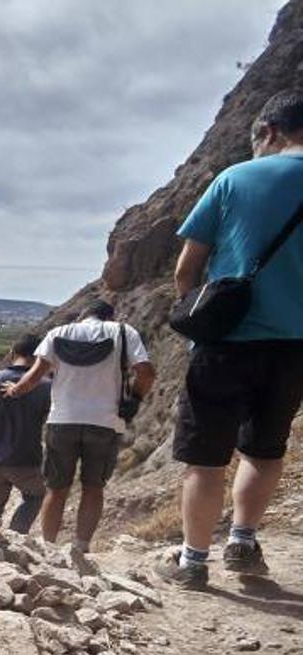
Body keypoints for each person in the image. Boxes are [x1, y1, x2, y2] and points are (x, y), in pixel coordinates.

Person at [155, 90, 303, 589]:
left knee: (205, 458)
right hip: (293, 347)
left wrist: (202, 320)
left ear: (270, 132)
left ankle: (193, 562)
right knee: (264, 450)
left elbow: (186, 269)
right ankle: (242, 539)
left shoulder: (234, 178)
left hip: (225, 342)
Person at [2, 301, 154, 557]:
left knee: (57, 488)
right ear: (109, 316)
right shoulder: (123, 332)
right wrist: (134, 400)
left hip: (62, 420)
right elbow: (146, 372)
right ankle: (80, 548)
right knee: (93, 488)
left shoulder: (58, 333)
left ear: (83, 316)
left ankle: (49, 547)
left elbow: (36, 374)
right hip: (105, 422)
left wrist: (14, 389)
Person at [0, 333, 50, 533]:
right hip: (27, 460)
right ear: (40, 355)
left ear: (13, 353)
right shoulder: (46, 387)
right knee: (35, 497)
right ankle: (16, 535)